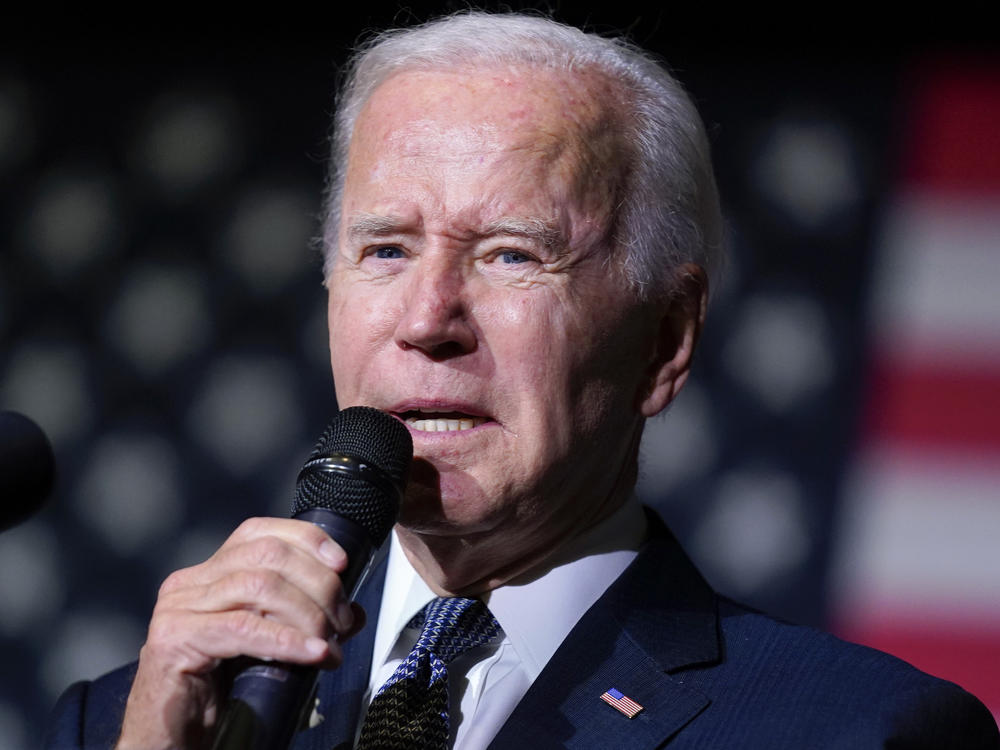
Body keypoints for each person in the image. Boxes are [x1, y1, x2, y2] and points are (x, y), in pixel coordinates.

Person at [46, 12, 998, 750]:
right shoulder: (130, 721)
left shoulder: (851, 731)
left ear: (666, 339)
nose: (426, 320)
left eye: (510, 257)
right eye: (385, 249)